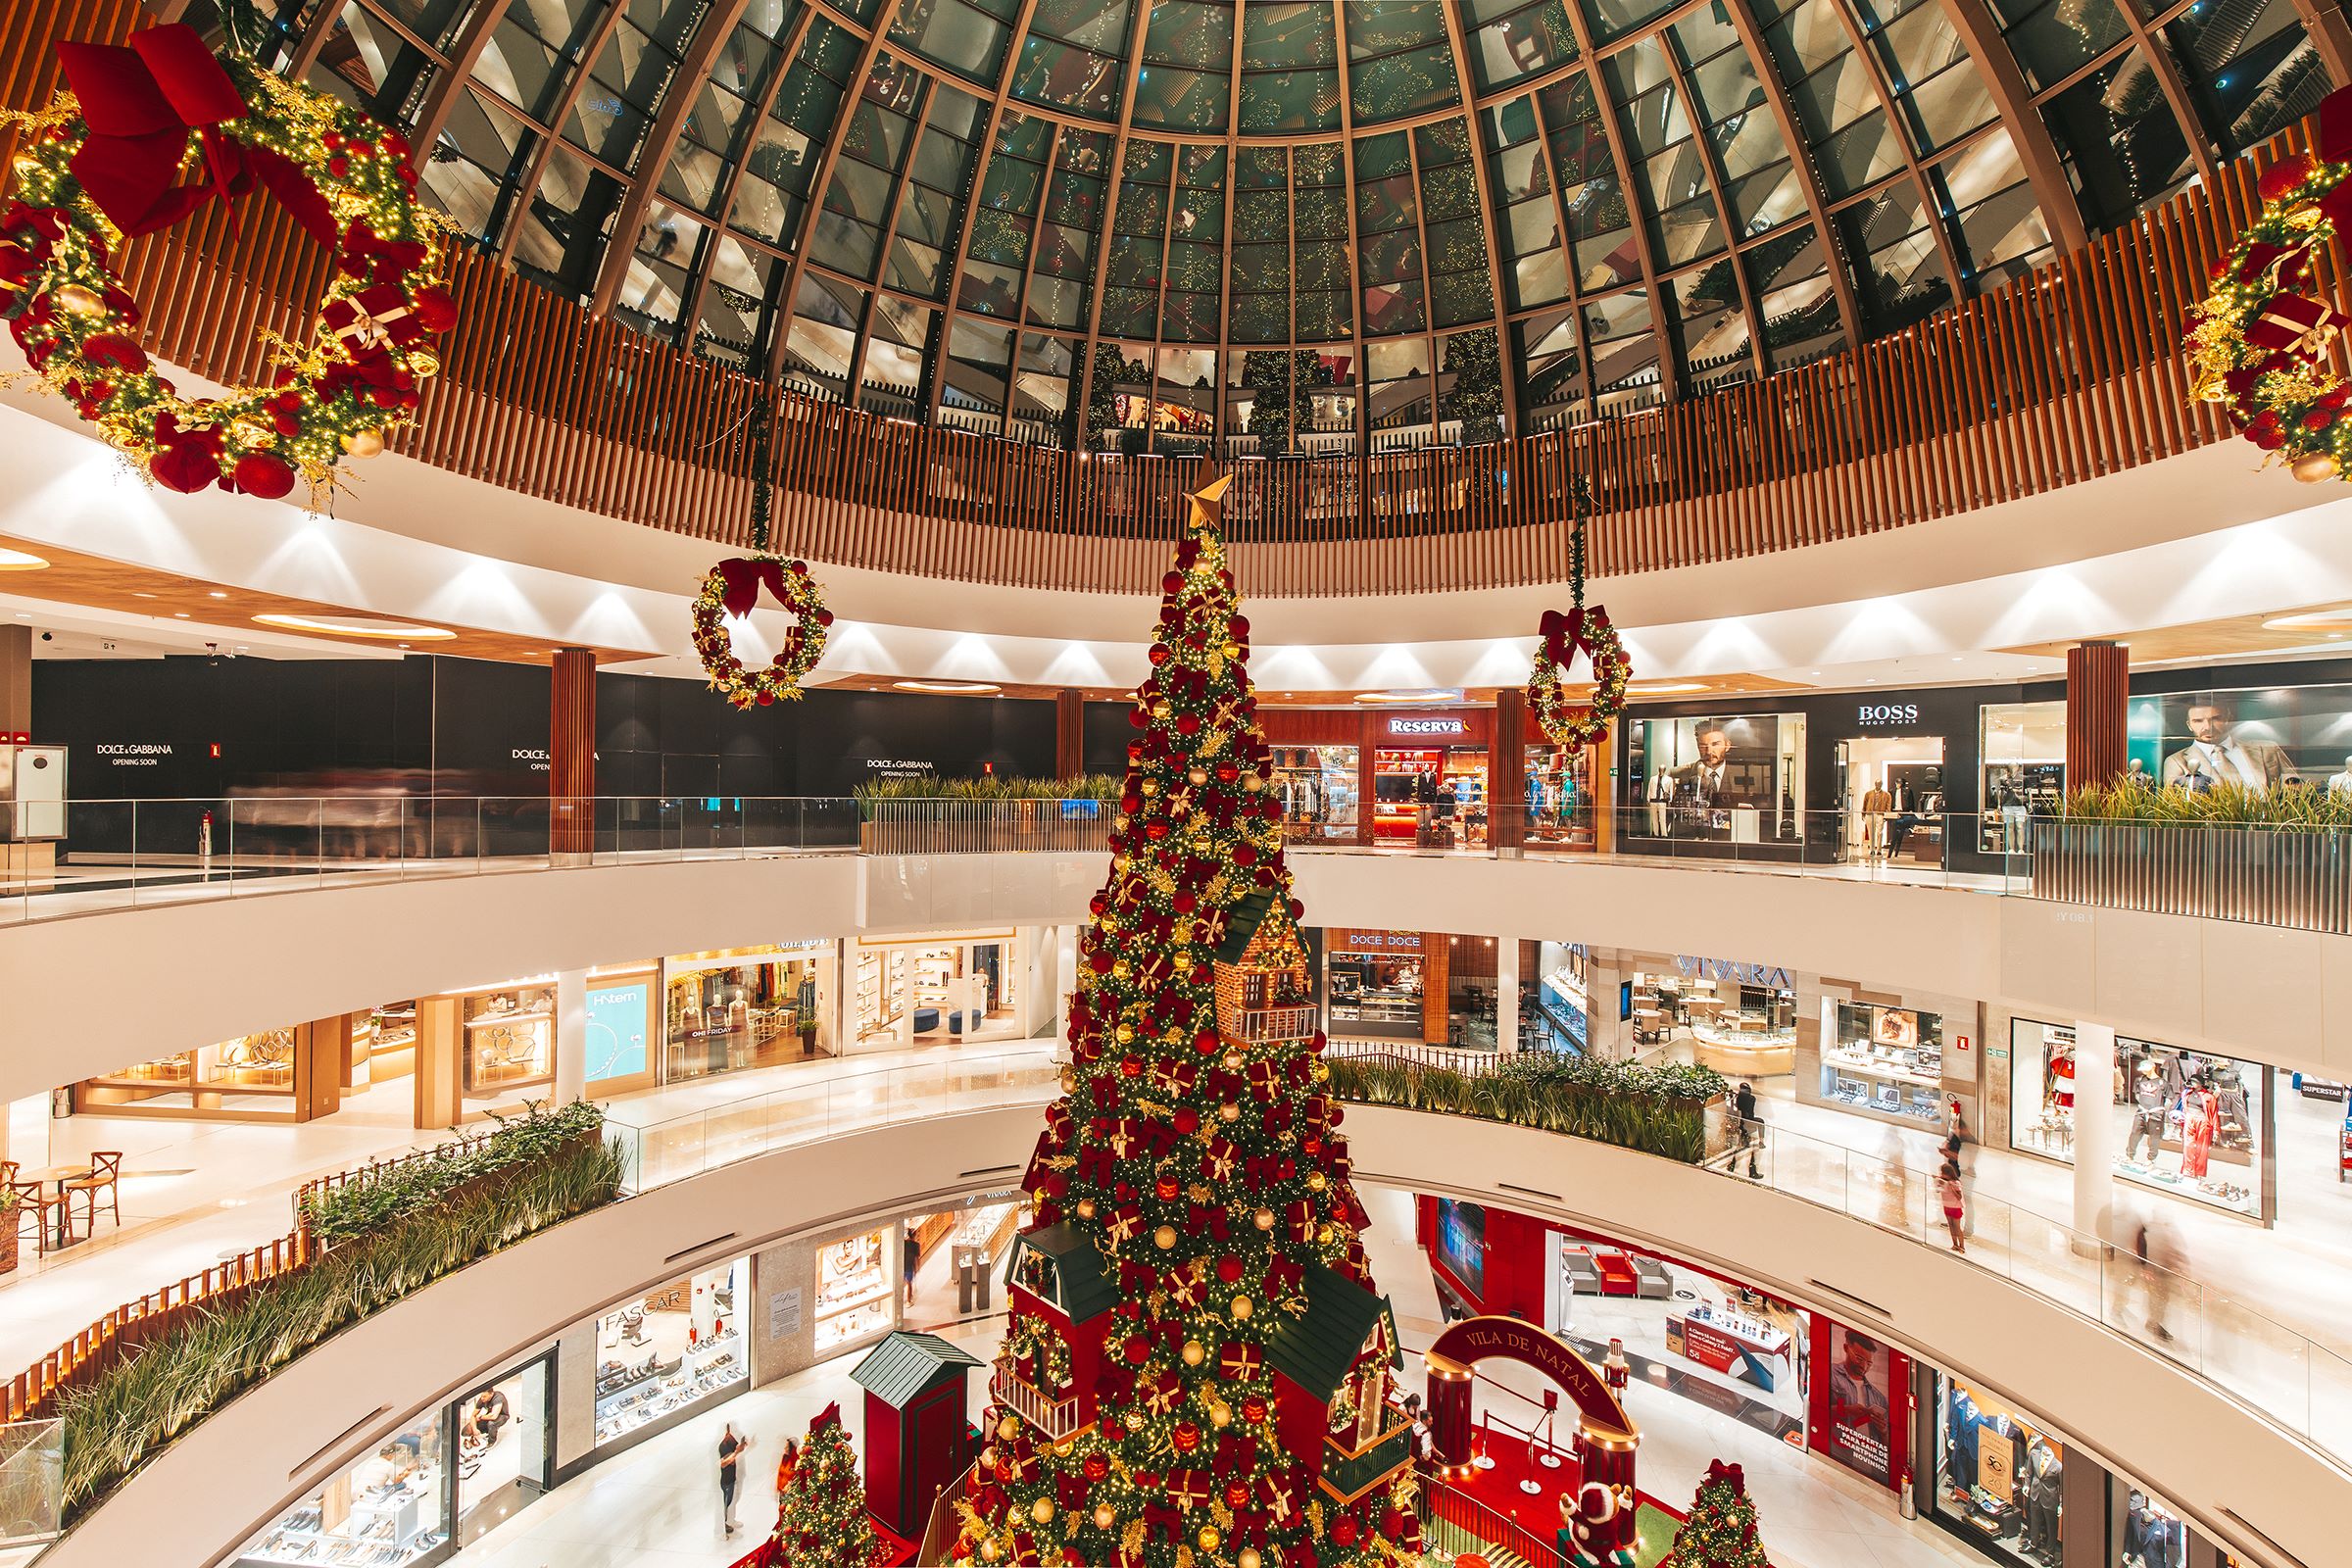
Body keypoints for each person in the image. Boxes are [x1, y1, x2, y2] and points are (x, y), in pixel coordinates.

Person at [2161, 698, 2290, 791]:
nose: (2208, 727)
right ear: (2189, 725)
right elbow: (2177, 804)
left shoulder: (2267, 749)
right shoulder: (2176, 761)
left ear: (2228, 719)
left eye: (2215, 719)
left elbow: (2295, 789)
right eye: (2198, 721)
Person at [718, 1422, 750, 1535]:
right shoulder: (723, 1445)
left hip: (733, 1476)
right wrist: (737, 1452)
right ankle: (726, 1523)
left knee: (734, 1499)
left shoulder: (732, 1440)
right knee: (728, 1502)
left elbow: (737, 1449)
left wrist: (742, 1447)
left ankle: (731, 1520)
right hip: (727, 1479)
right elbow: (724, 1463)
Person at [460, 1385, 511, 1450]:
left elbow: (493, 1416)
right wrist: (474, 1429)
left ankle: (491, 1441)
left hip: (502, 1416)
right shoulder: (482, 1400)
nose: (482, 1398)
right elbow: (473, 1416)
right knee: (466, 1431)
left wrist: (481, 1417)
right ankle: (480, 1436)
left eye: (484, 1396)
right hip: (489, 1416)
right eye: (481, 1396)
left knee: (491, 1424)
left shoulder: (498, 1398)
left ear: (491, 1394)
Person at [1732, 1079, 1761, 1179]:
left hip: (1743, 1124)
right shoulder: (1752, 1099)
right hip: (1750, 1124)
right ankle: (1752, 1171)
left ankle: (1732, 1164)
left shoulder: (1739, 1100)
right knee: (1753, 1149)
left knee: (1740, 1147)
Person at [1936, 1157, 1966, 1253]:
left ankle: (1962, 1246)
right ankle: (1955, 1244)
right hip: (1947, 1206)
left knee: (1957, 1227)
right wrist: (1939, 1183)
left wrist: (1952, 1187)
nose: (1941, 1174)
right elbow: (1938, 1191)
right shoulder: (1942, 1180)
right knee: (1951, 1226)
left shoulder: (1956, 1183)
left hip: (1955, 1207)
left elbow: (1959, 1196)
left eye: (1943, 1172)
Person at [905, 1230, 921, 1305]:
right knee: (909, 1284)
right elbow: (917, 1258)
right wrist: (918, 1267)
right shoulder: (916, 1245)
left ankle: (900, 1298)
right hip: (909, 1266)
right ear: (915, 1235)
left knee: (901, 1283)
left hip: (902, 1265)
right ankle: (908, 1301)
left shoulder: (904, 1243)